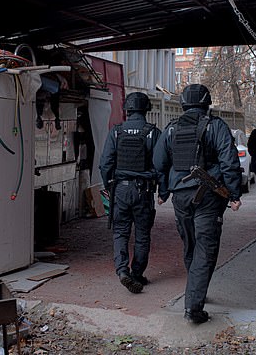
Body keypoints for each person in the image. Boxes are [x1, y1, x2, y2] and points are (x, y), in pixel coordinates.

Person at [153, 84, 242, 324]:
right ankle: (193, 306)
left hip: (181, 197)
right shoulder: (216, 126)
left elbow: (159, 163)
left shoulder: (171, 129)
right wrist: (234, 195)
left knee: (190, 244)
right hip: (208, 197)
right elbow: (229, 162)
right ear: (207, 103)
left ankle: (195, 291)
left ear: (183, 103)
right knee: (205, 248)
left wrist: (164, 191)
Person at [99, 92, 163, 294]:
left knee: (120, 232)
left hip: (120, 189)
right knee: (142, 234)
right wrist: (163, 189)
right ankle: (137, 274)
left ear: (127, 110)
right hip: (143, 190)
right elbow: (161, 164)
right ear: (146, 110)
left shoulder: (116, 131)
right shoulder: (153, 132)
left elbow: (105, 164)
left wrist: (109, 185)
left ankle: (122, 271)